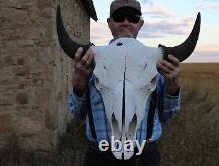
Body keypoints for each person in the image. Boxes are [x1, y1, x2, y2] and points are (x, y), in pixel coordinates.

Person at [68, 0, 180, 165]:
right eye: (119, 17)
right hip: (98, 157)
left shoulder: (158, 65)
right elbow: (77, 114)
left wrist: (173, 86)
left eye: (133, 17)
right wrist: (79, 84)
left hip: (145, 156)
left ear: (140, 23)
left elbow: (166, 115)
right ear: (110, 23)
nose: (126, 22)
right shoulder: (89, 63)